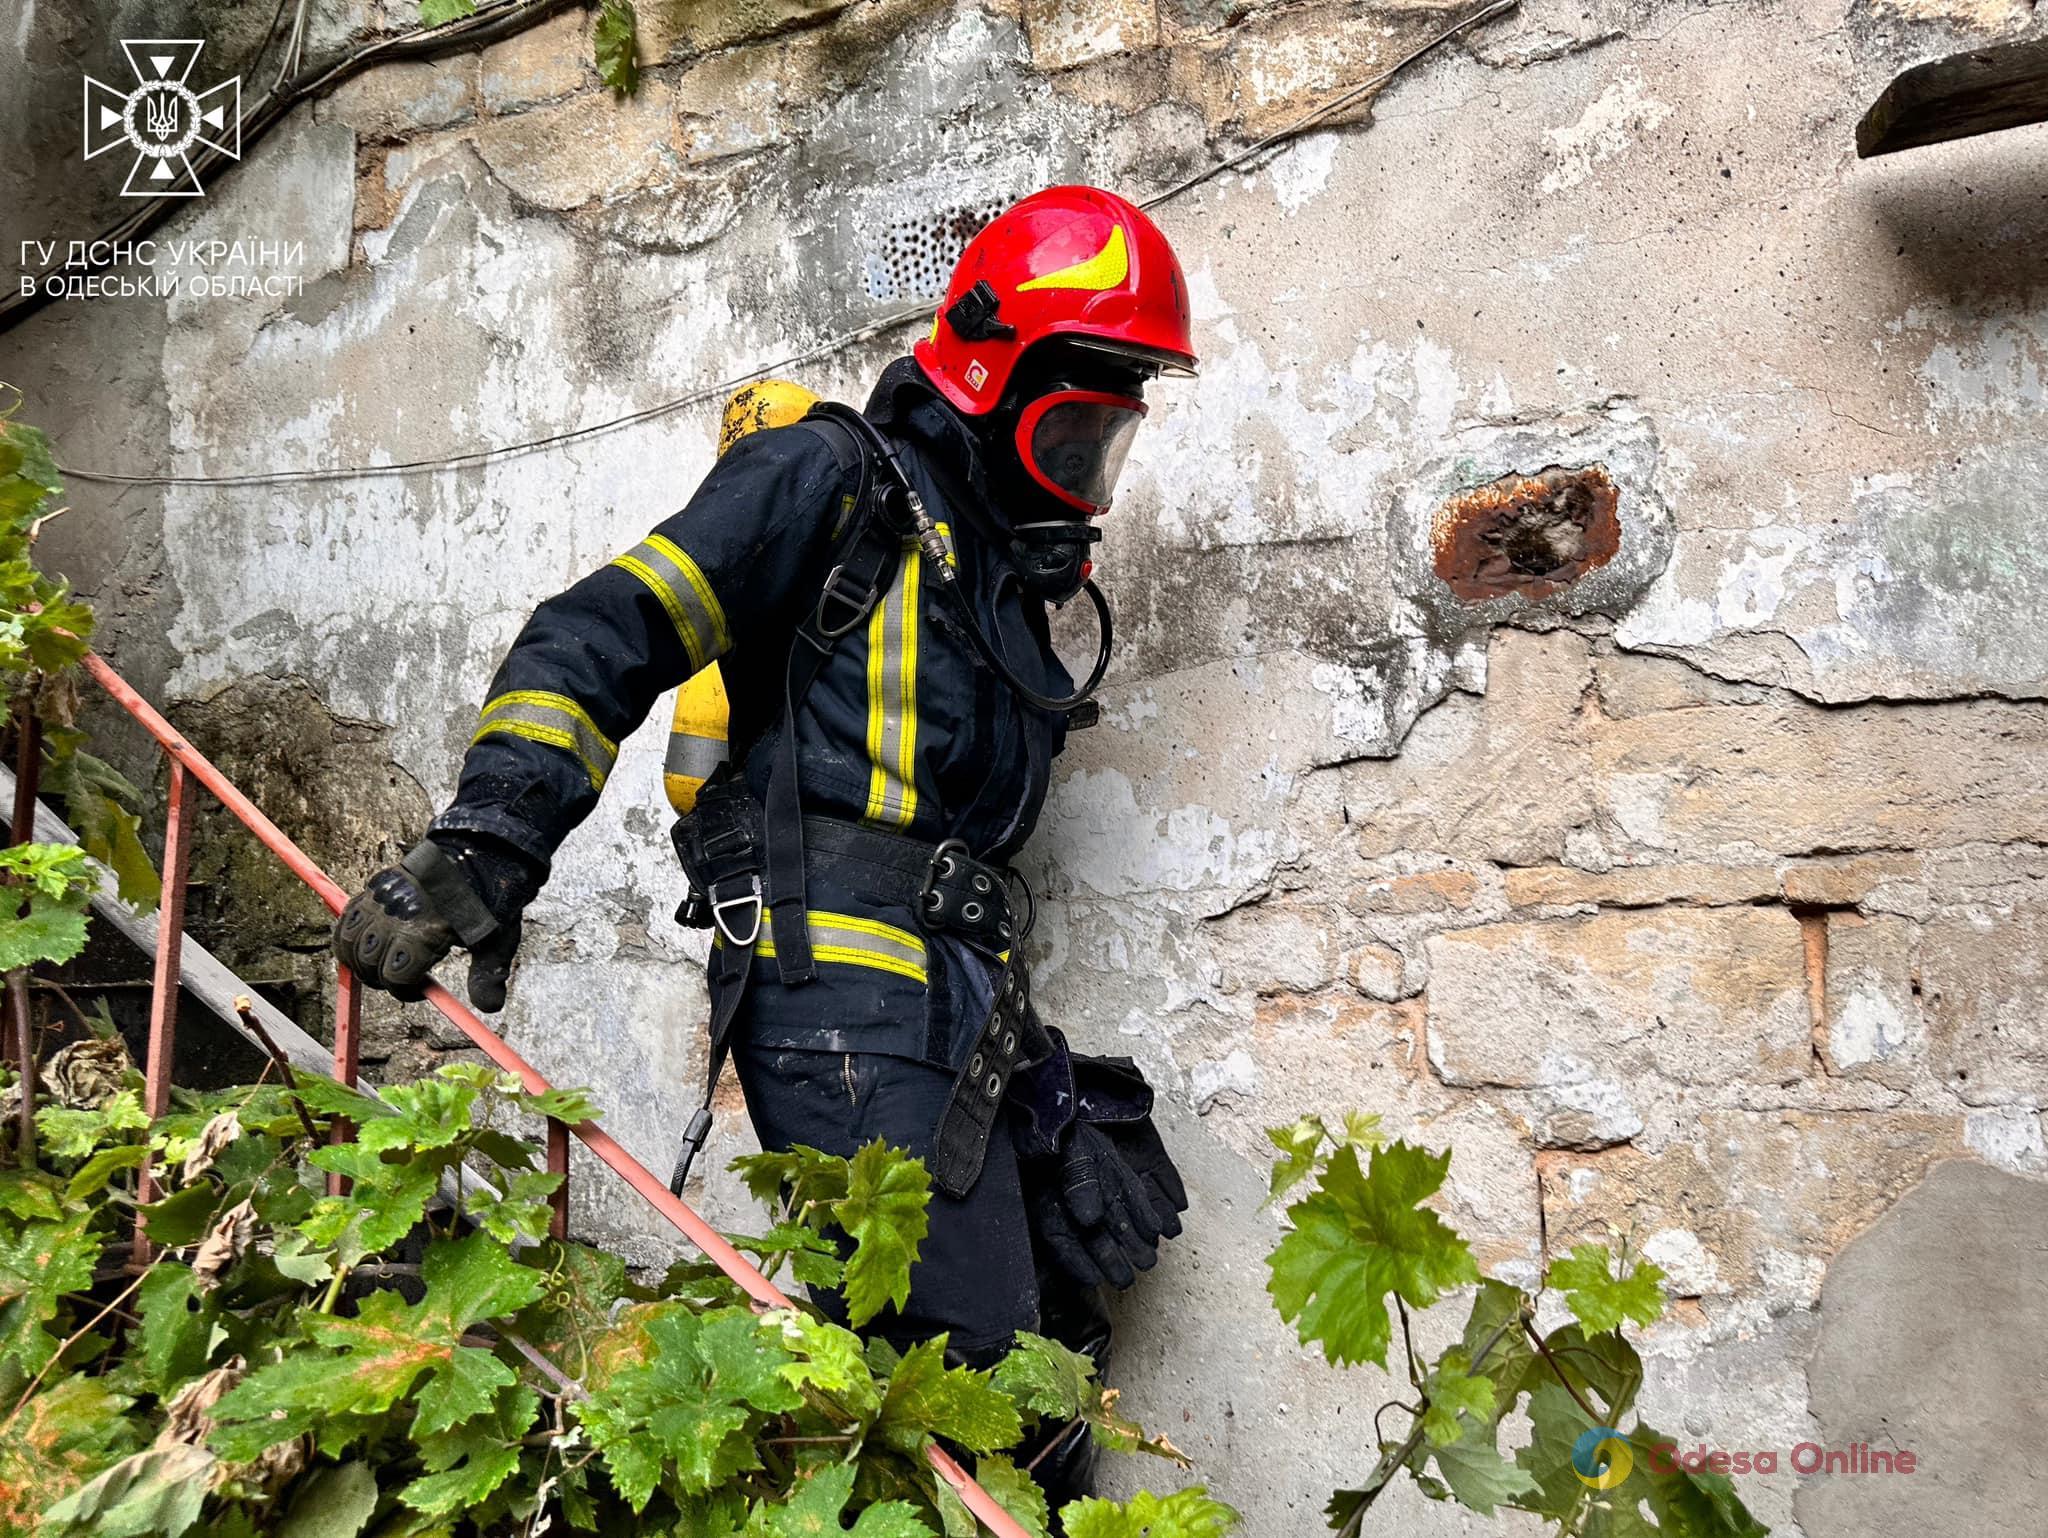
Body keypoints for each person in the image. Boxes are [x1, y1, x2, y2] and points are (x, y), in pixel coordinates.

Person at [333, 185, 1198, 1507]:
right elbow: (599, 627)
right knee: (975, 1397)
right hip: (838, 999)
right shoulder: (833, 477)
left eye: (1107, 438)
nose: (1087, 469)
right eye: (1074, 425)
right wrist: (491, 841)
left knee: (1045, 1352)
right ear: (988, 374)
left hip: (955, 1005)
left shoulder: (991, 573)